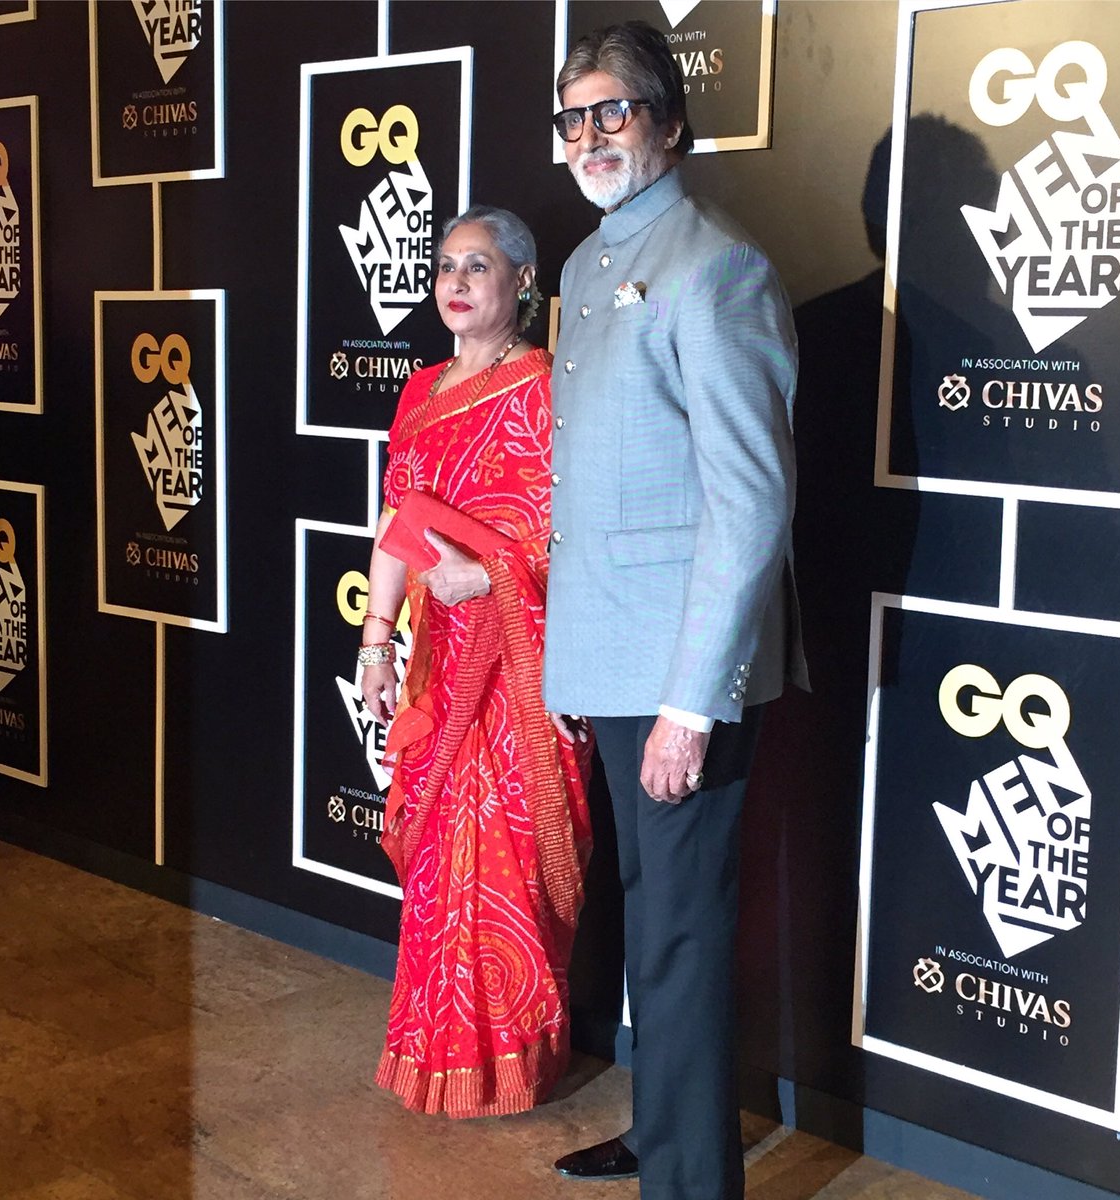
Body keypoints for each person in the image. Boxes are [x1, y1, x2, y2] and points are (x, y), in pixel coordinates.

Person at [543, 21, 806, 1200]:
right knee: (653, 926)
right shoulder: (586, 264)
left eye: (615, 110)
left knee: (685, 937)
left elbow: (748, 503)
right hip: (611, 665)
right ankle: (665, 1136)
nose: (591, 136)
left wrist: (691, 706)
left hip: (683, 681)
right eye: (574, 117)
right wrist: (573, 670)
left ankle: (692, 1182)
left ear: (669, 121)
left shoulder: (716, 265)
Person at [360, 205, 592, 1119]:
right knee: (437, 862)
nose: (455, 283)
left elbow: (570, 535)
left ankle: (510, 1068)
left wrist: (488, 576)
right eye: (445, 266)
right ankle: (432, 1052)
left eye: (479, 266)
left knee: (500, 854)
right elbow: (398, 521)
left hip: (519, 664)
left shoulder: (544, 386)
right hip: (441, 656)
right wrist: (376, 639)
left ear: (523, 282)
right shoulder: (420, 391)